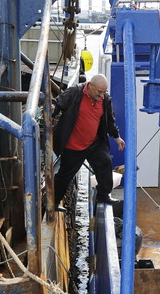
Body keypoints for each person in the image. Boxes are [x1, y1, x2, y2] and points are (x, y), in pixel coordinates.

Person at [52, 73, 125, 211]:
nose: (102, 95)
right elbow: (58, 102)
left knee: (105, 162)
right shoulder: (75, 93)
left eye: (104, 92)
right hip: (73, 146)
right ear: (90, 86)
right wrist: (52, 107)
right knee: (64, 176)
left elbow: (110, 121)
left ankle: (103, 195)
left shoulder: (105, 100)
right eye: (99, 91)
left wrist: (117, 137)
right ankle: (53, 203)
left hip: (93, 143)